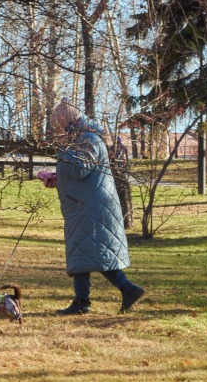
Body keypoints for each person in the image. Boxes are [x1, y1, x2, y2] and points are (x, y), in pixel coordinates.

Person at [42, 98, 145, 315]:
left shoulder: (88, 139)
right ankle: (121, 291)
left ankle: (88, 300)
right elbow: (78, 172)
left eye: (59, 125)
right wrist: (57, 178)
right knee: (86, 254)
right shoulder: (81, 139)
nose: (58, 130)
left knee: (88, 254)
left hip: (90, 207)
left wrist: (61, 149)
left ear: (67, 120)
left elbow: (80, 168)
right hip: (83, 205)